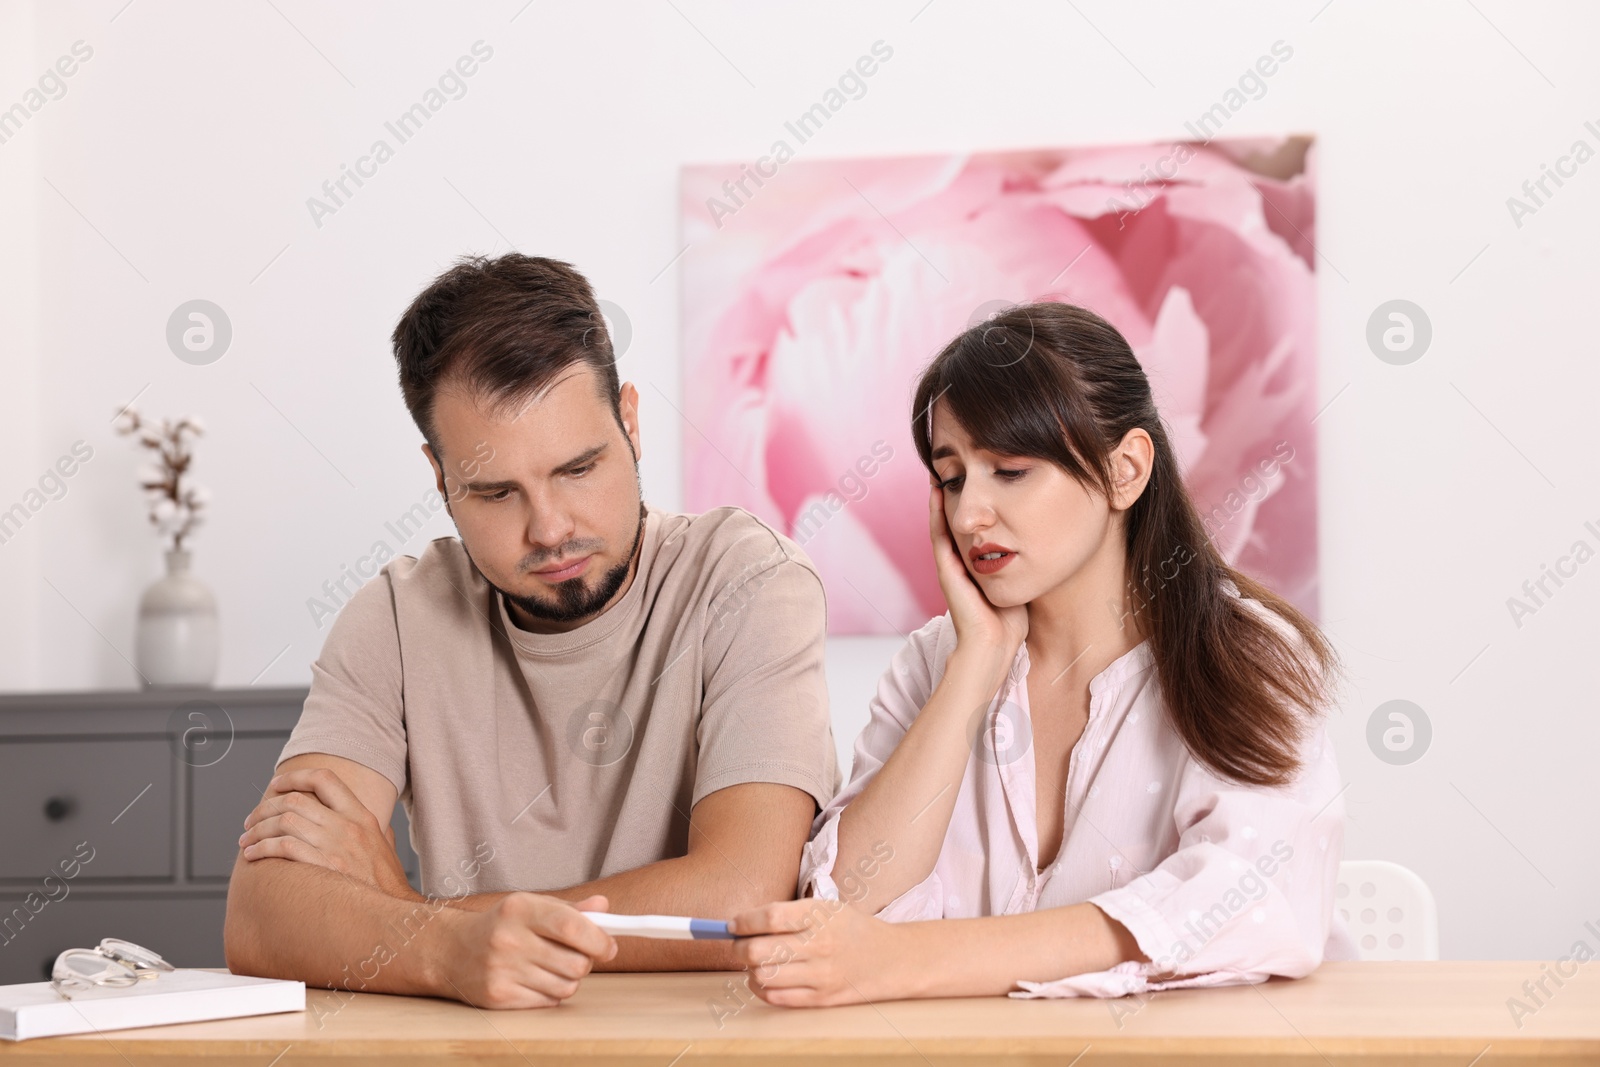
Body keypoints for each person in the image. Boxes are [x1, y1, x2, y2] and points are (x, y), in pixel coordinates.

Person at [224, 254, 839, 1011]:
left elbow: (741, 893)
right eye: (494, 490)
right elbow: (261, 915)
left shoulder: (747, 579)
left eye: (579, 468)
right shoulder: (395, 616)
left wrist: (419, 922)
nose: (550, 528)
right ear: (438, 475)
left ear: (632, 422)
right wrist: (449, 948)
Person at [727, 301, 1355, 1005]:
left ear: (1126, 470)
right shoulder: (937, 661)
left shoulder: (1249, 652)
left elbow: (1241, 897)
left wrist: (907, 961)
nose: (969, 515)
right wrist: (974, 668)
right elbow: (846, 912)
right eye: (952, 475)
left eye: (1011, 470)